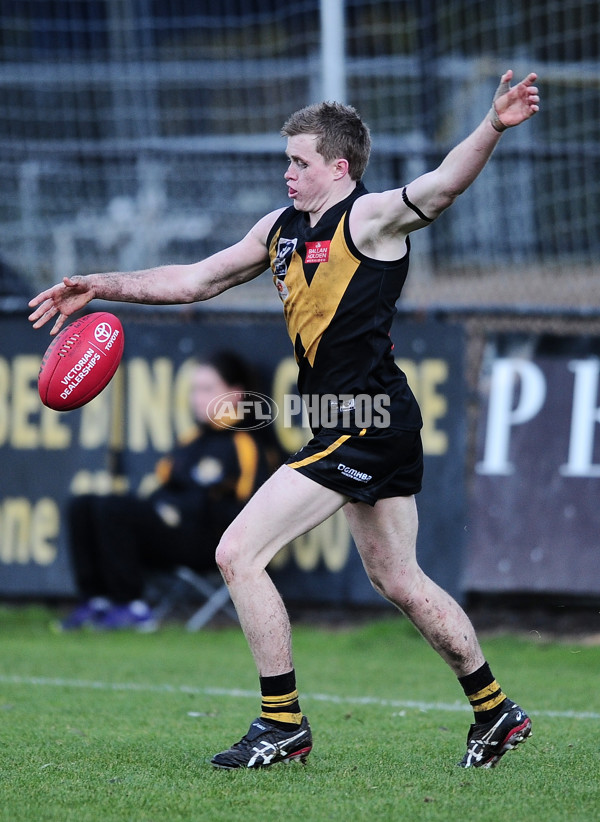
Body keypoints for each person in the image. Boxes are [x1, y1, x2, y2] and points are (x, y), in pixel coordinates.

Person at [29, 70, 539, 768]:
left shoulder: (369, 217)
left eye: (299, 161)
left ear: (338, 165)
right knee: (398, 579)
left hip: (368, 420)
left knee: (237, 552)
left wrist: (492, 126)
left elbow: (443, 185)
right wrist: (101, 287)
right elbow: (195, 280)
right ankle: (495, 711)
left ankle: (282, 723)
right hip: (350, 422)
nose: (287, 173)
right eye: (286, 160)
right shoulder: (279, 229)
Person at [59, 350, 275, 632]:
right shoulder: (190, 441)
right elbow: (160, 487)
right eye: (195, 390)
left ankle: (132, 606)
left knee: (113, 509)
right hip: (166, 532)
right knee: (83, 504)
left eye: (208, 389)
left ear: (235, 394)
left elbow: (253, 511)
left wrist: (192, 511)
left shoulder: (246, 444)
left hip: (206, 541)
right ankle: (97, 600)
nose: (198, 398)